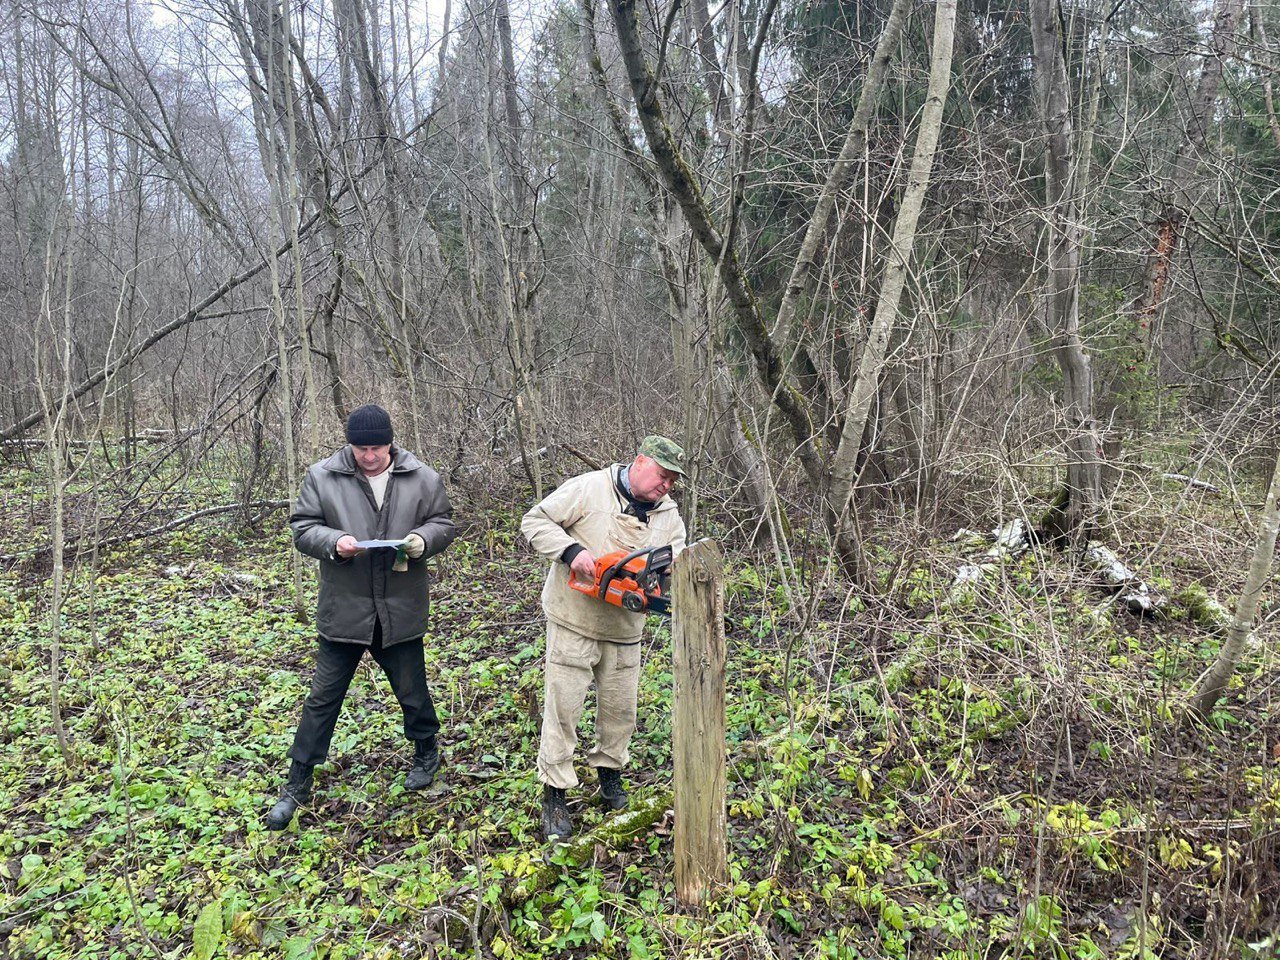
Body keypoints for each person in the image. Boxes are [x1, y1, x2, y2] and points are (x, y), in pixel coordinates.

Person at [266, 403, 458, 831]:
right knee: (322, 699)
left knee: (412, 689)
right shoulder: (323, 476)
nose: (369, 456)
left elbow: (442, 522)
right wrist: (336, 542)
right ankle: (297, 783)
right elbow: (302, 527)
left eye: (376, 447)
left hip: (400, 607)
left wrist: (421, 541)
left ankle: (426, 751)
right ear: (348, 444)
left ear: (391, 442)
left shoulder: (422, 477)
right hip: (345, 609)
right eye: (360, 447)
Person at [521, 436, 688, 840]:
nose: (665, 485)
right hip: (573, 618)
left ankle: (609, 773)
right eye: (661, 475)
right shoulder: (590, 488)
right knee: (564, 708)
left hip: (625, 628)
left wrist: (664, 583)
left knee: (620, 711)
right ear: (640, 461)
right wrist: (570, 551)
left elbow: (678, 561)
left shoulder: (669, 517)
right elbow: (534, 521)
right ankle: (555, 791)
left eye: (672, 480)